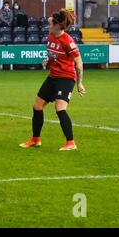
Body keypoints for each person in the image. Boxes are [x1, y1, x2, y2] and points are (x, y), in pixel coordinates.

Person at [19, 9, 86, 151]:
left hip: (66, 78)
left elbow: (79, 63)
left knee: (60, 109)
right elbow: (53, 55)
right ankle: (35, 140)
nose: (47, 26)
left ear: (57, 26)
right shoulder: (50, 37)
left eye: (49, 24)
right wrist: (48, 61)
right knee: (37, 106)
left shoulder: (68, 41)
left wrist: (79, 83)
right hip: (53, 76)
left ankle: (71, 143)